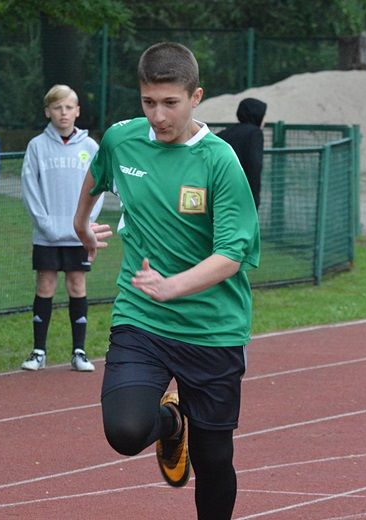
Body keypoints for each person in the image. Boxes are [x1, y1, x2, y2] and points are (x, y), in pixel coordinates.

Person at [74, 42, 260, 519]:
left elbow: (233, 254)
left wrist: (175, 285)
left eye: (170, 103)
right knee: (126, 432)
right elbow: (96, 178)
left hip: (212, 327)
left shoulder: (219, 161)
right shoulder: (122, 139)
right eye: (148, 102)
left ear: (196, 96)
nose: (158, 115)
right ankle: (171, 422)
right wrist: (80, 224)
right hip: (143, 317)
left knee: (215, 460)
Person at [19, 84, 103, 373]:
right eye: (57, 107)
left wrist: (86, 225)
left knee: (77, 286)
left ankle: (79, 352)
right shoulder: (37, 146)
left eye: (69, 107)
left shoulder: (91, 147)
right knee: (45, 286)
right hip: (47, 236)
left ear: (77, 111)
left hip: (78, 235)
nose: (63, 113)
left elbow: (100, 188)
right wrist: (46, 225)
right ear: (48, 111)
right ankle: (38, 352)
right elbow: (30, 189)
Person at [216, 98, 267, 209]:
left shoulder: (224, 133)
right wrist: (254, 200)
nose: (264, 122)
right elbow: (254, 165)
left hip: (219, 192)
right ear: (257, 115)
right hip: (241, 195)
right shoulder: (255, 133)